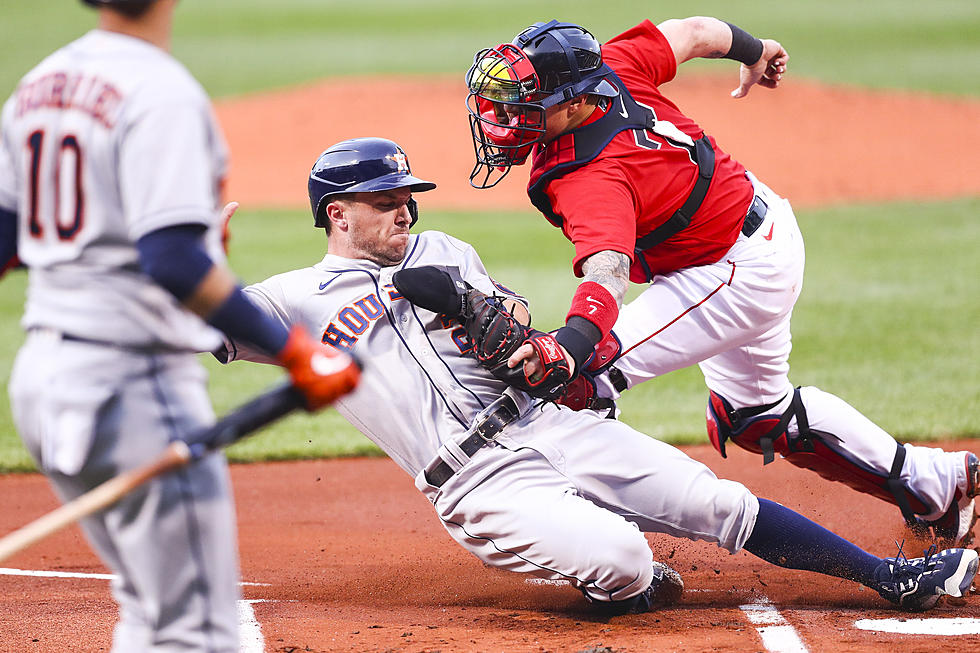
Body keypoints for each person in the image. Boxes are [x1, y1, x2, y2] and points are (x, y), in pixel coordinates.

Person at [218, 136, 977, 615]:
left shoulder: (446, 249)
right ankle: (626, 577)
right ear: (337, 214)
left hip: (547, 424)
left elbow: (512, 339)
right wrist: (198, 266)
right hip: (478, 480)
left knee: (717, 501)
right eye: (385, 203)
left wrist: (468, 303)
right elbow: (196, 324)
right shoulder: (293, 300)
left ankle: (891, 577)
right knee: (622, 559)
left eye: (407, 199)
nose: (404, 213)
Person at [464, 18, 978, 548]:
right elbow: (693, 31)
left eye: (524, 104)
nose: (504, 118)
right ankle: (938, 482)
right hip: (757, 226)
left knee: (576, 380)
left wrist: (571, 344)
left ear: (574, 103)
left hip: (734, 272)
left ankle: (590, 542)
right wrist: (758, 50)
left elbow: (609, 269)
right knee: (756, 417)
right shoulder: (614, 66)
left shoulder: (590, 175)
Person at [0, 1, 359, 651]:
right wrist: (295, 349)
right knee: (195, 632)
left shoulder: (38, 86)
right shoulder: (160, 90)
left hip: (44, 383)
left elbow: (5, 237)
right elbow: (172, 259)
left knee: (155, 612)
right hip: (130, 388)